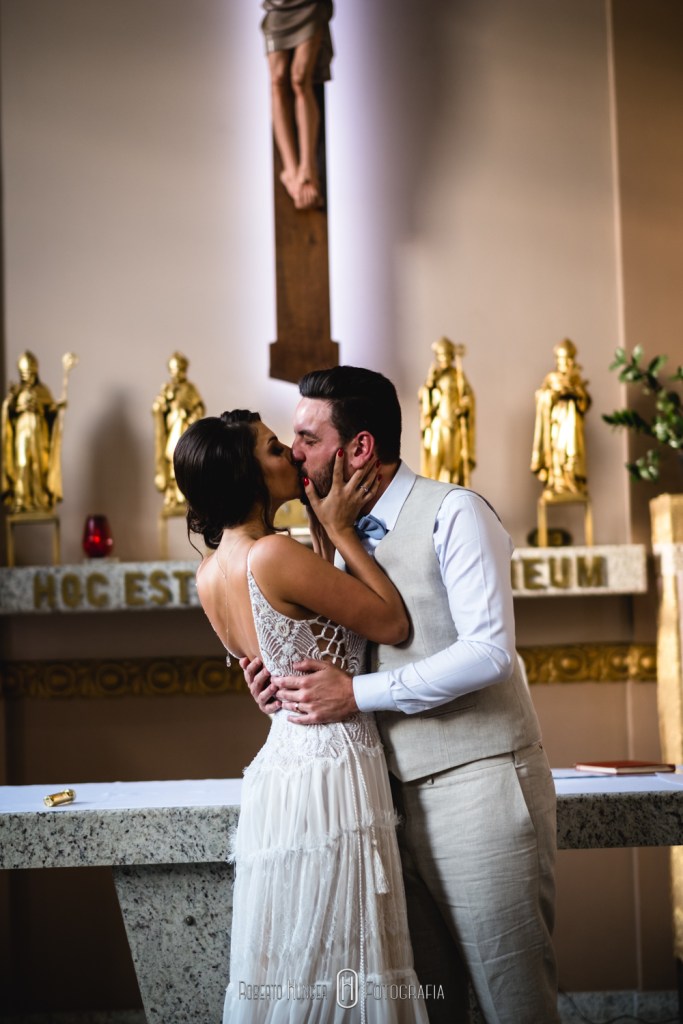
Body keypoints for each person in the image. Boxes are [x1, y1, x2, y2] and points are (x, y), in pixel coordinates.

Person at [245, 366, 560, 1024]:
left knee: (513, 1001)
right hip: (378, 801)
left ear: (359, 448)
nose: (294, 452)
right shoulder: (328, 533)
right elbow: (340, 651)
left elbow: (488, 652)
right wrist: (280, 681)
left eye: (307, 438)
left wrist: (354, 693)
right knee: (427, 1004)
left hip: (476, 784)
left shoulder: (455, 512)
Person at [173, 410, 429, 1023]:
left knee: (302, 956)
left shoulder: (210, 572)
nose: (290, 452)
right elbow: (392, 622)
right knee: (347, 954)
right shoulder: (273, 555)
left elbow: (279, 656)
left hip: (282, 763)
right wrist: (340, 529)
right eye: (272, 448)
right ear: (246, 474)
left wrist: (320, 530)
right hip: (331, 761)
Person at [261, 1, 333, 210]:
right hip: (277, 5)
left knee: (300, 79)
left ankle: (308, 167)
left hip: (309, 5)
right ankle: (290, 170)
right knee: (277, 80)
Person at [1, 351, 66, 513]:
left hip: (39, 434)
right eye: (25, 373)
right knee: (23, 464)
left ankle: (40, 499)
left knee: (39, 466)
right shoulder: (17, 393)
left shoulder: (43, 391)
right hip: (22, 433)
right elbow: (8, 414)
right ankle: (21, 499)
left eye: (30, 373)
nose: (28, 376)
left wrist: (57, 407)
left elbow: (51, 412)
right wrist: (13, 403)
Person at [531, 338, 591, 497]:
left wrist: (576, 392)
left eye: (570, 359)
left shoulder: (576, 378)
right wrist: (554, 394)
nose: (568, 362)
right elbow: (541, 397)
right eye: (564, 359)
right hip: (557, 424)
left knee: (572, 453)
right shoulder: (552, 378)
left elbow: (585, 402)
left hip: (572, 424)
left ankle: (573, 482)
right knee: (557, 452)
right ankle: (557, 482)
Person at [418, 337, 476, 487]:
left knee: (452, 462)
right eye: (441, 355)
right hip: (437, 425)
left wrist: (464, 406)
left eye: (447, 355)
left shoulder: (457, 375)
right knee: (435, 458)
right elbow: (424, 398)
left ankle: (450, 486)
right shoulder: (434, 376)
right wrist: (429, 386)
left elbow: (468, 396)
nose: (444, 359)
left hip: (452, 425)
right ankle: (434, 486)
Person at [152, 352, 205, 510]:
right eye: (173, 370)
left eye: (179, 369)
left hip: (185, 431)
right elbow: (159, 410)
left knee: (185, 460)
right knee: (171, 459)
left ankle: (184, 492)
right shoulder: (167, 388)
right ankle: (172, 494)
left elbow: (200, 409)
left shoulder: (190, 388)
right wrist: (160, 406)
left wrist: (188, 416)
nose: (176, 373)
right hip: (172, 431)